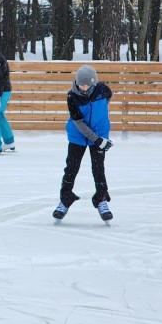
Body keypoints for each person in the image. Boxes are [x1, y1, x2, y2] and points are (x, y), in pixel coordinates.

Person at [53, 64, 114, 222]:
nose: (83, 88)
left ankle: (101, 200)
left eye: (87, 84)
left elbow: (106, 103)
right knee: (71, 168)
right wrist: (97, 139)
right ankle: (65, 200)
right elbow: (79, 123)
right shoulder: (72, 97)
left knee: (98, 168)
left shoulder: (103, 90)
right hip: (78, 136)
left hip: (100, 133)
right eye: (81, 84)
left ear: (94, 83)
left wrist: (101, 131)